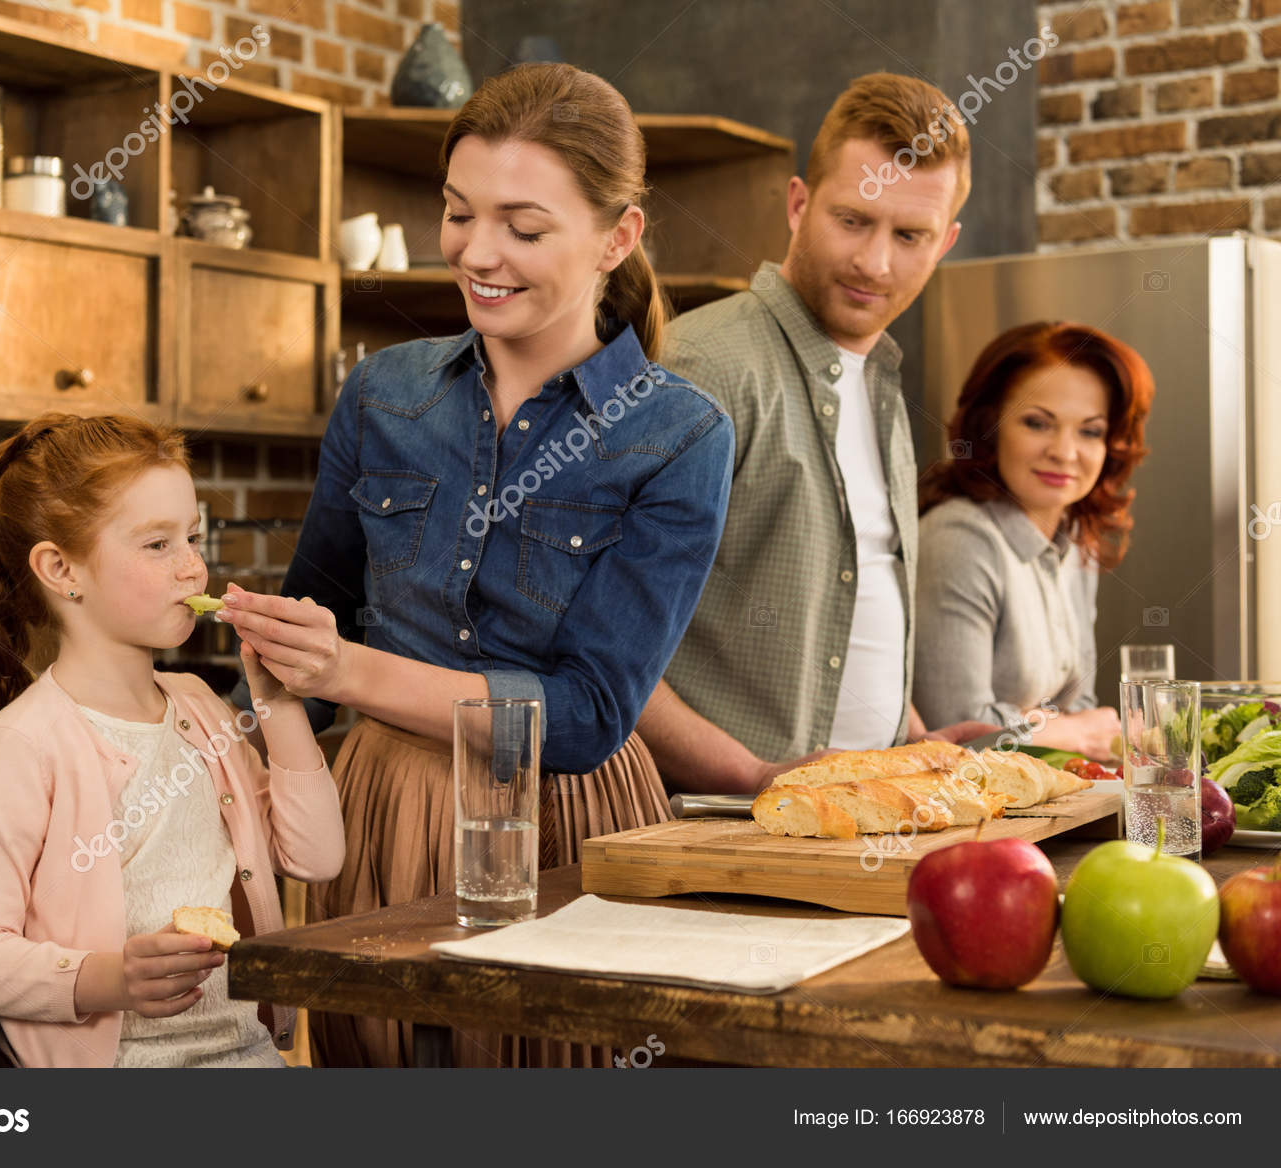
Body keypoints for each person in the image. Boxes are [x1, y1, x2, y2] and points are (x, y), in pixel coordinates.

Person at [218, 62, 734, 1067]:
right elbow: (301, 630)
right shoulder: (383, 394)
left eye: (523, 228)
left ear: (617, 236)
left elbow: (585, 717)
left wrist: (347, 671)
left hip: (562, 817)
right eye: (458, 214)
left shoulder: (679, 433)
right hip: (377, 810)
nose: (477, 253)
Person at [0, 413, 344, 1069]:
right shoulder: (19, 747)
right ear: (61, 568)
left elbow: (317, 856)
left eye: (193, 537)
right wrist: (112, 979)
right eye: (158, 545)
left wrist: (277, 695)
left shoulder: (203, 708)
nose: (193, 568)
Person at [639, 72, 996, 797]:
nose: (875, 262)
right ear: (799, 205)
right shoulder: (703, 366)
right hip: (724, 833)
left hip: (868, 818)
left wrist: (912, 734)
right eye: (853, 220)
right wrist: (759, 779)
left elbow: (847, 604)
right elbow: (595, 640)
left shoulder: (880, 381)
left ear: (946, 242)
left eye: (910, 235)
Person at [913, 322, 1153, 758]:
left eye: (1090, 431)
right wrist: (1072, 732)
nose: (1064, 451)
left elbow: (1073, 701)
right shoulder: (958, 540)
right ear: (991, 425)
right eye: (1037, 423)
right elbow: (959, 731)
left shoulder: (1076, 540)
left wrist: (1046, 725)